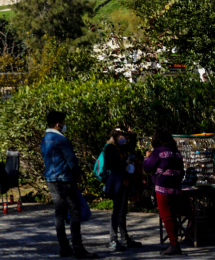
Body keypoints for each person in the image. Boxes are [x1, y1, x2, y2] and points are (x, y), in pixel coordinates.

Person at [41, 110, 98, 259]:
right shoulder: (61, 140)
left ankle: (64, 247)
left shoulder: (45, 138)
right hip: (64, 179)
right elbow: (71, 160)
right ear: (58, 124)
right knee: (74, 212)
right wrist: (78, 174)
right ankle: (78, 247)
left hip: (51, 179)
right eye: (64, 123)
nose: (65, 125)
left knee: (59, 213)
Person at [143, 131, 184, 256]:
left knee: (166, 216)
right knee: (173, 215)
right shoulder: (177, 152)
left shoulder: (158, 151)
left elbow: (147, 167)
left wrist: (146, 157)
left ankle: (174, 244)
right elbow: (182, 170)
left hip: (162, 187)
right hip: (176, 187)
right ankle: (174, 242)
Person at [99, 129, 142, 251]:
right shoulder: (109, 148)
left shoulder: (117, 147)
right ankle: (113, 240)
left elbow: (130, 146)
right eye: (123, 136)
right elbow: (112, 165)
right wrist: (125, 164)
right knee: (117, 212)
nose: (125, 139)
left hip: (122, 183)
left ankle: (124, 238)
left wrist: (133, 135)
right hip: (116, 184)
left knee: (122, 212)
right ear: (117, 135)